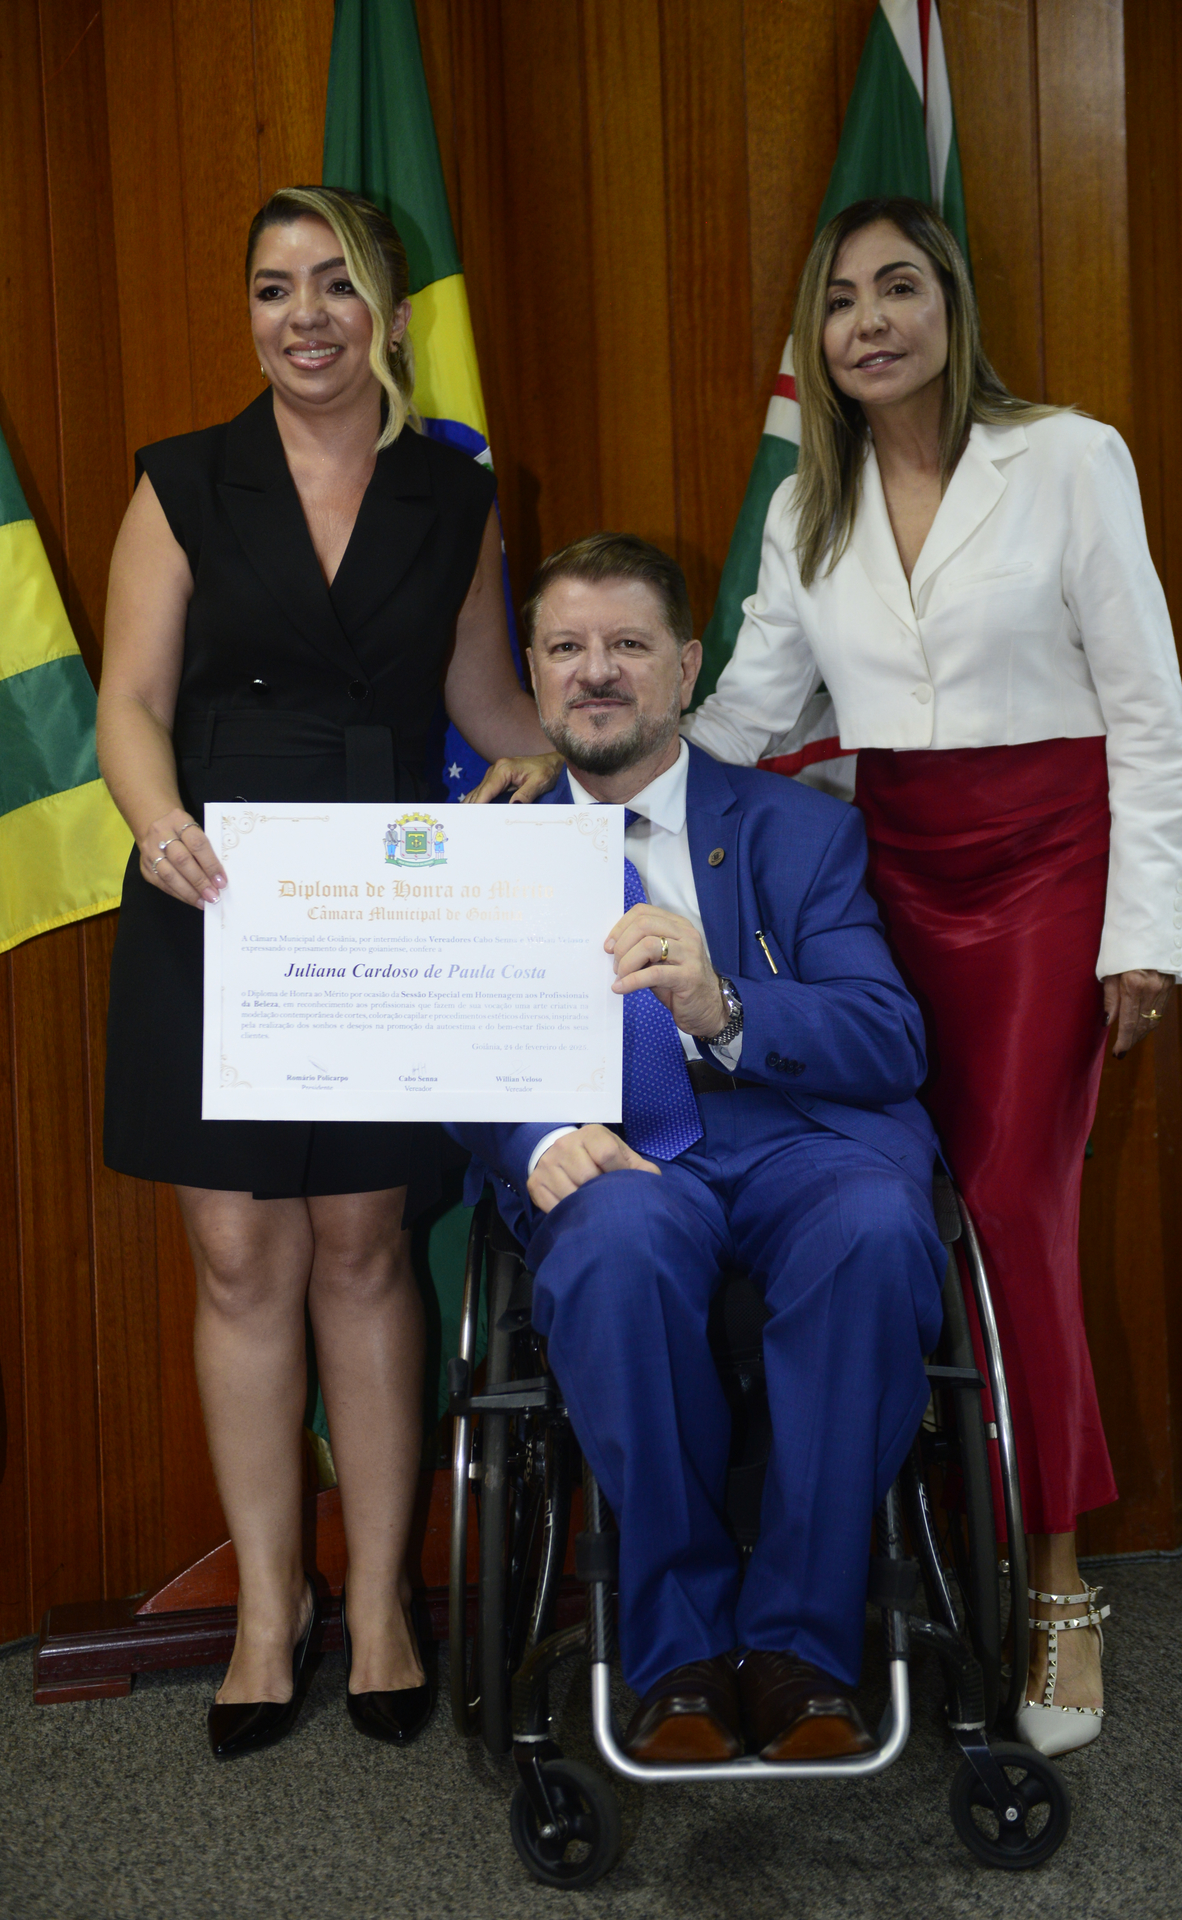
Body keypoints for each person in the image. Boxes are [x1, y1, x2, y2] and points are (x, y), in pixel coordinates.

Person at [681, 198, 1182, 1754]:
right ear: (817, 337)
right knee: (897, 1194)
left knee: (1013, 1206)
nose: (870, 322)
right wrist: (590, 782)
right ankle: (917, 1535)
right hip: (890, 880)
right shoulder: (808, 509)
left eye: (898, 287)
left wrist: (1145, 933)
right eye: (842, 300)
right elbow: (748, 716)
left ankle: (1059, 1583)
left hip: (1049, 875)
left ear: (950, 303)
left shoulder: (1070, 458)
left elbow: (1148, 707)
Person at [96, 185, 554, 1759]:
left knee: (362, 1243)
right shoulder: (182, 480)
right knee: (239, 1255)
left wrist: (559, 755)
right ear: (249, 313)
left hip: (380, 899)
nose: (305, 315)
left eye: (337, 285)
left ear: (391, 318)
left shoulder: (455, 495)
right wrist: (156, 824)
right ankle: (265, 1609)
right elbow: (129, 699)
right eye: (275, 286)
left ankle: (375, 1606)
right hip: (213, 883)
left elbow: (488, 704)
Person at [452, 533, 947, 1760]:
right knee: (613, 1246)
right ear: (533, 671)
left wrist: (724, 1006)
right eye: (566, 648)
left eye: (627, 645)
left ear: (684, 667)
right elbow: (439, 1048)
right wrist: (534, 1132)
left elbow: (888, 1036)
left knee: (875, 1227)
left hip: (795, 1138)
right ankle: (675, 1652)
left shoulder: (800, 832)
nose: (596, 672)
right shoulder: (485, 849)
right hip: (617, 1151)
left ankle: (798, 1648)